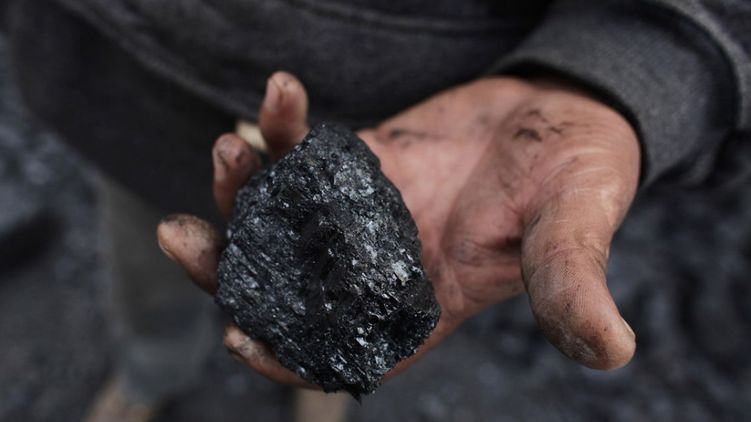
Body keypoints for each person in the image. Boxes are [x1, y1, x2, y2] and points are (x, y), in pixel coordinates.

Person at [2, 0, 750, 421]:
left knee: (327, 342)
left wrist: (639, 63)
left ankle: (325, 393)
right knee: (147, 258)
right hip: (127, 85)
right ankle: (149, 371)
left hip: (421, 108)